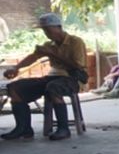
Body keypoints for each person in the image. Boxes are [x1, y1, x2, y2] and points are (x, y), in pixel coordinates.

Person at [2, 13, 88, 141]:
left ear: (58, 27)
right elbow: (33, 56)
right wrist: (16, 68)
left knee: (53, 88)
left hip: (73, 78)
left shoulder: (75, 42)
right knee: (15, 87)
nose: (46, 32)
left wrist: (53, 54)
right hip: (52, 77)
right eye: (44, 30)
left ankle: (63, 129)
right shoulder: (49, 44)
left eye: (48, 29)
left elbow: (77, 66)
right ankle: (23, 128)